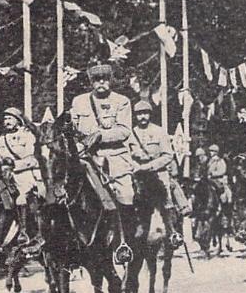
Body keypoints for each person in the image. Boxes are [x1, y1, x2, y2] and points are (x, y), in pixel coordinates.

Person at [69, 64, 134, 219]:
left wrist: (99, 136)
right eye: (97, 80)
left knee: (126, 195)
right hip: (86, 157)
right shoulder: (79, 101)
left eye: (105, 79)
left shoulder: (121, 101)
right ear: (91, 82)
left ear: (110, 81)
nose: (101, 83)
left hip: (115, 157)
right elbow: (73, 129)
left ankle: (126, 239)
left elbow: (124, 130)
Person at [128, 100, 190, 245]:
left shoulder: (159, 131)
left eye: (145, 113)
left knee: (166, 193)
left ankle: (171, 231)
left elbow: (168, 155)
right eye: (139, 114)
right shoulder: (130, 134)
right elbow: (126, 154)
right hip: (136, 173)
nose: (142, 117)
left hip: (157, 172)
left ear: (150, 114)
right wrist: (135, 166)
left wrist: (149, 166)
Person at [0, 107, 45, 245]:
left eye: (10, 118)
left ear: (18, 120)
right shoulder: (2, 139)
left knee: (21, 199)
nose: (6, 121)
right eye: (5, 119)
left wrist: (14, 164)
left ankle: (23, 232)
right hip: (5, 174)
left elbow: (32, 159)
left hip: (24, 174)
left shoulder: (27, 136)